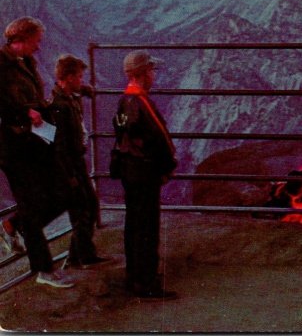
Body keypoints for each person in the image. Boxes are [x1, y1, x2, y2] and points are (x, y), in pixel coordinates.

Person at [0, 17, 74, 287]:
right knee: (32, 204)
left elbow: (31, 97)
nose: (39, 47)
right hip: (13, 146)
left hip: (34, 139)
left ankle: (13, 225)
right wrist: (23, 113)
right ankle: (44, 270)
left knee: (64, 192)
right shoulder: (1, 63)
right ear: (23, 39)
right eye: (36, 41)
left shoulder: (25, 63)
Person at [112, 50, 178, 300]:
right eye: (151, 70)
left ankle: (134, 276)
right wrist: (166, 166)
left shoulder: (124, 101)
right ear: (141, 73)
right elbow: (157, 139)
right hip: (144, 171)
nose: (153, 75)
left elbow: (119, 129)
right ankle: (147, 282)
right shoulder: (141, 102)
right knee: (147, 226)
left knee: (134, 224)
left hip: (131, 170)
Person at [50, 54, 111, 269]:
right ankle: (84, 256)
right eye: (78, 77)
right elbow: (58, 146)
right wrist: (70, 176)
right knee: (83, 206)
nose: (81, 80)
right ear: (67, 78)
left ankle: (77, 256)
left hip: (77, 161)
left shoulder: (68, 97)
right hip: (71, 165)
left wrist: (82, 89)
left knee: (87, 204)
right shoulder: (59, 106)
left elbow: (75, 91)